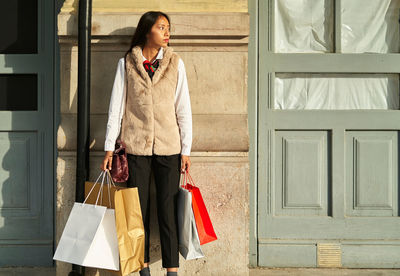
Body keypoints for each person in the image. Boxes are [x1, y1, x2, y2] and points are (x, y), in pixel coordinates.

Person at [100, 11, 192, 276]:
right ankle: (143, 270)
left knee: (168, 211)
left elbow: (183, 109)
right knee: (137, 213)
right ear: (146, 31)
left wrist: (186, 149)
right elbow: (116, 109)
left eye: (168, 28)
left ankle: (172, 271)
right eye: (161, 27)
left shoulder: (176, 63)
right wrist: (109, 147)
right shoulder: (126, 64)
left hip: (169, 148)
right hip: (136, 148)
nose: (167, 32)